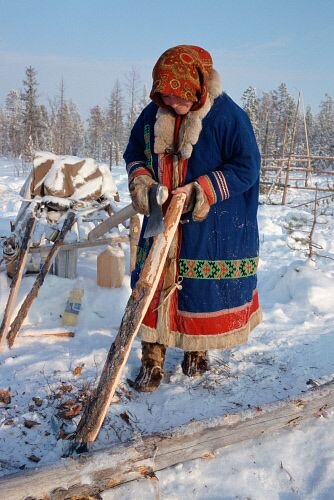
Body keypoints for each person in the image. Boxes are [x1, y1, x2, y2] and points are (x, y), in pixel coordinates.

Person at [123, 45, 262, 392]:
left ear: (198, 87)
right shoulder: (153, 115)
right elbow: (134, 153)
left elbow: (248, 167)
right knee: (151, 285)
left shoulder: (229, 117)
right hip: (160, 220)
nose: (172, 104)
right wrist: (142, 180)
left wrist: (201, 190)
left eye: (179, 97)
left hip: (208, 225)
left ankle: (196, 351)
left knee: (199, 291)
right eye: (165, 96)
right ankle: (152, 361)